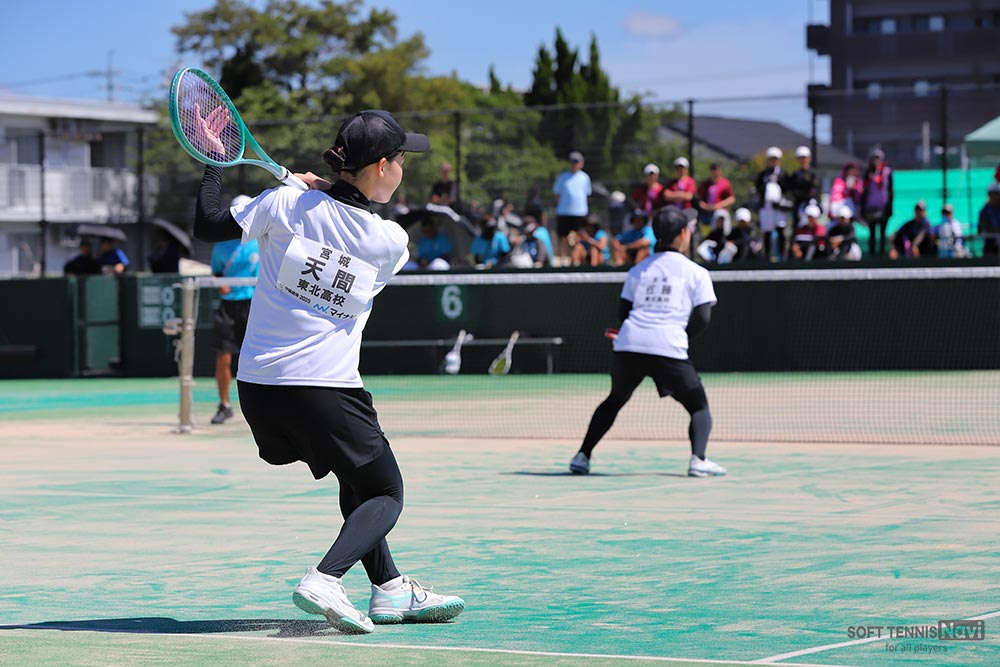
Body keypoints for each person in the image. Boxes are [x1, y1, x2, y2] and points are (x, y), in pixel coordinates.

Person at [192, 108, 464, 633]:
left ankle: (389, 589)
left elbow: (209, 223)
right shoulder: (389, 241)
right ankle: (325, 578)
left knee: (354, 475)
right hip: (326, 388)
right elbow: (343, 227)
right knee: (385, 492)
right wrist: (317, 194)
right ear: (381, 167)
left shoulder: (282, 202)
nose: (403, 169)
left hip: (260, 387)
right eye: (401, 159)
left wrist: (215, 160)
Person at [569, 206, 725, 478]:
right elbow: (702, 317)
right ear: (683, 234)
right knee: (699, 407)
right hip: (668, 348)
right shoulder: (697, 272)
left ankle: (582, 456)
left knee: (615, 399)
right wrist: (680, 336)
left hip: (629, 346)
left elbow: (623, 312)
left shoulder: (638, 270)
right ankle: (698, 460)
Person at [208, 197, 260, 425]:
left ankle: (264, 407)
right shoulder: (221, 245)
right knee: (223, 356)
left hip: (256, 304)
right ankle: (225, 405)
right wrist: (221, 283)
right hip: (228, 306)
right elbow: (217, 272)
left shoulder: (263, 239)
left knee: (261, 357)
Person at [552, 150, 592, 265]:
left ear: (582, 163)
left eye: (577, 162)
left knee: (578, 236)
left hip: (580, 212)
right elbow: (556, 194)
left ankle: (575, 258)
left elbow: (587, 193)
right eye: (573, 162)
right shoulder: (562, 177)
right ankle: (564, 259)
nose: (575, 164)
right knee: (563, 236)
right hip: (564, 212)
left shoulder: (585, 177)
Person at [755, 147, 791, 260]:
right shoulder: (763, 174)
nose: (773, 162)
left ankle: (782, 255)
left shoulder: (783, 173)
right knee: (767, 231)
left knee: (780, 229)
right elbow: (758, 188)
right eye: (771, 159)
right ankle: (767, 256)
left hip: (779, 206)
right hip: (766, 207)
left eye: (776, 159)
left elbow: (787, 188)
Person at [860, 149, 894, 256]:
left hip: (883, 207)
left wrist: (890, 208)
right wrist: (863, 208)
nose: (876, 161)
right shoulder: (868, 173)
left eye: (878, 158)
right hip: (871, 208)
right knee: (872, 233)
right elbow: (863, 190)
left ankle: (882, 254)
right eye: (874, 158)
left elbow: (890, 190)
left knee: (883, 232)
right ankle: (872, 255)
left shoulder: (887, 172)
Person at [787, 146, 820, 224]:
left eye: (804, 158)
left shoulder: (813, 173)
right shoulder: (795, 174)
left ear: (809, 159)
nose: (803, 160)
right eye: (800, 158)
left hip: (811, 203)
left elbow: (815, 190)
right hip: (798, 204)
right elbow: (792, 190)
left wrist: (806, 196)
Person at [696, 163, 735, 228]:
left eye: (717, 170)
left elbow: (731, 199)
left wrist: (717, 206)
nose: (715, 172)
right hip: (706, 212)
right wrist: (704, 206)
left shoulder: (725, 183)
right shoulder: (705, 184)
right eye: (713, 170)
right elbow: (698, 197)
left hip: (720, 211)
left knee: (720, 216)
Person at [978, 182, 1000, 256]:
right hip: (990, 246)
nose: (995, 196)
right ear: (989, 195)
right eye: (992, 194)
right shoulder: (984, 211)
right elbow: (981, 228)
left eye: (996, 193)